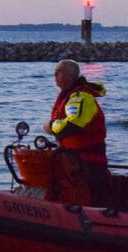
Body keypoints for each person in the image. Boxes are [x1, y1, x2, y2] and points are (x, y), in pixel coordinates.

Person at [47, 59, 110, 205]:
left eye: (58, 72)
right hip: (72, 156)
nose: (54, 75)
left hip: (87, 159)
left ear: (69, 76)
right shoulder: (70, 95)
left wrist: (51, 126)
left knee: (95, 196)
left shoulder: (81, 97)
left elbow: (74, 125)